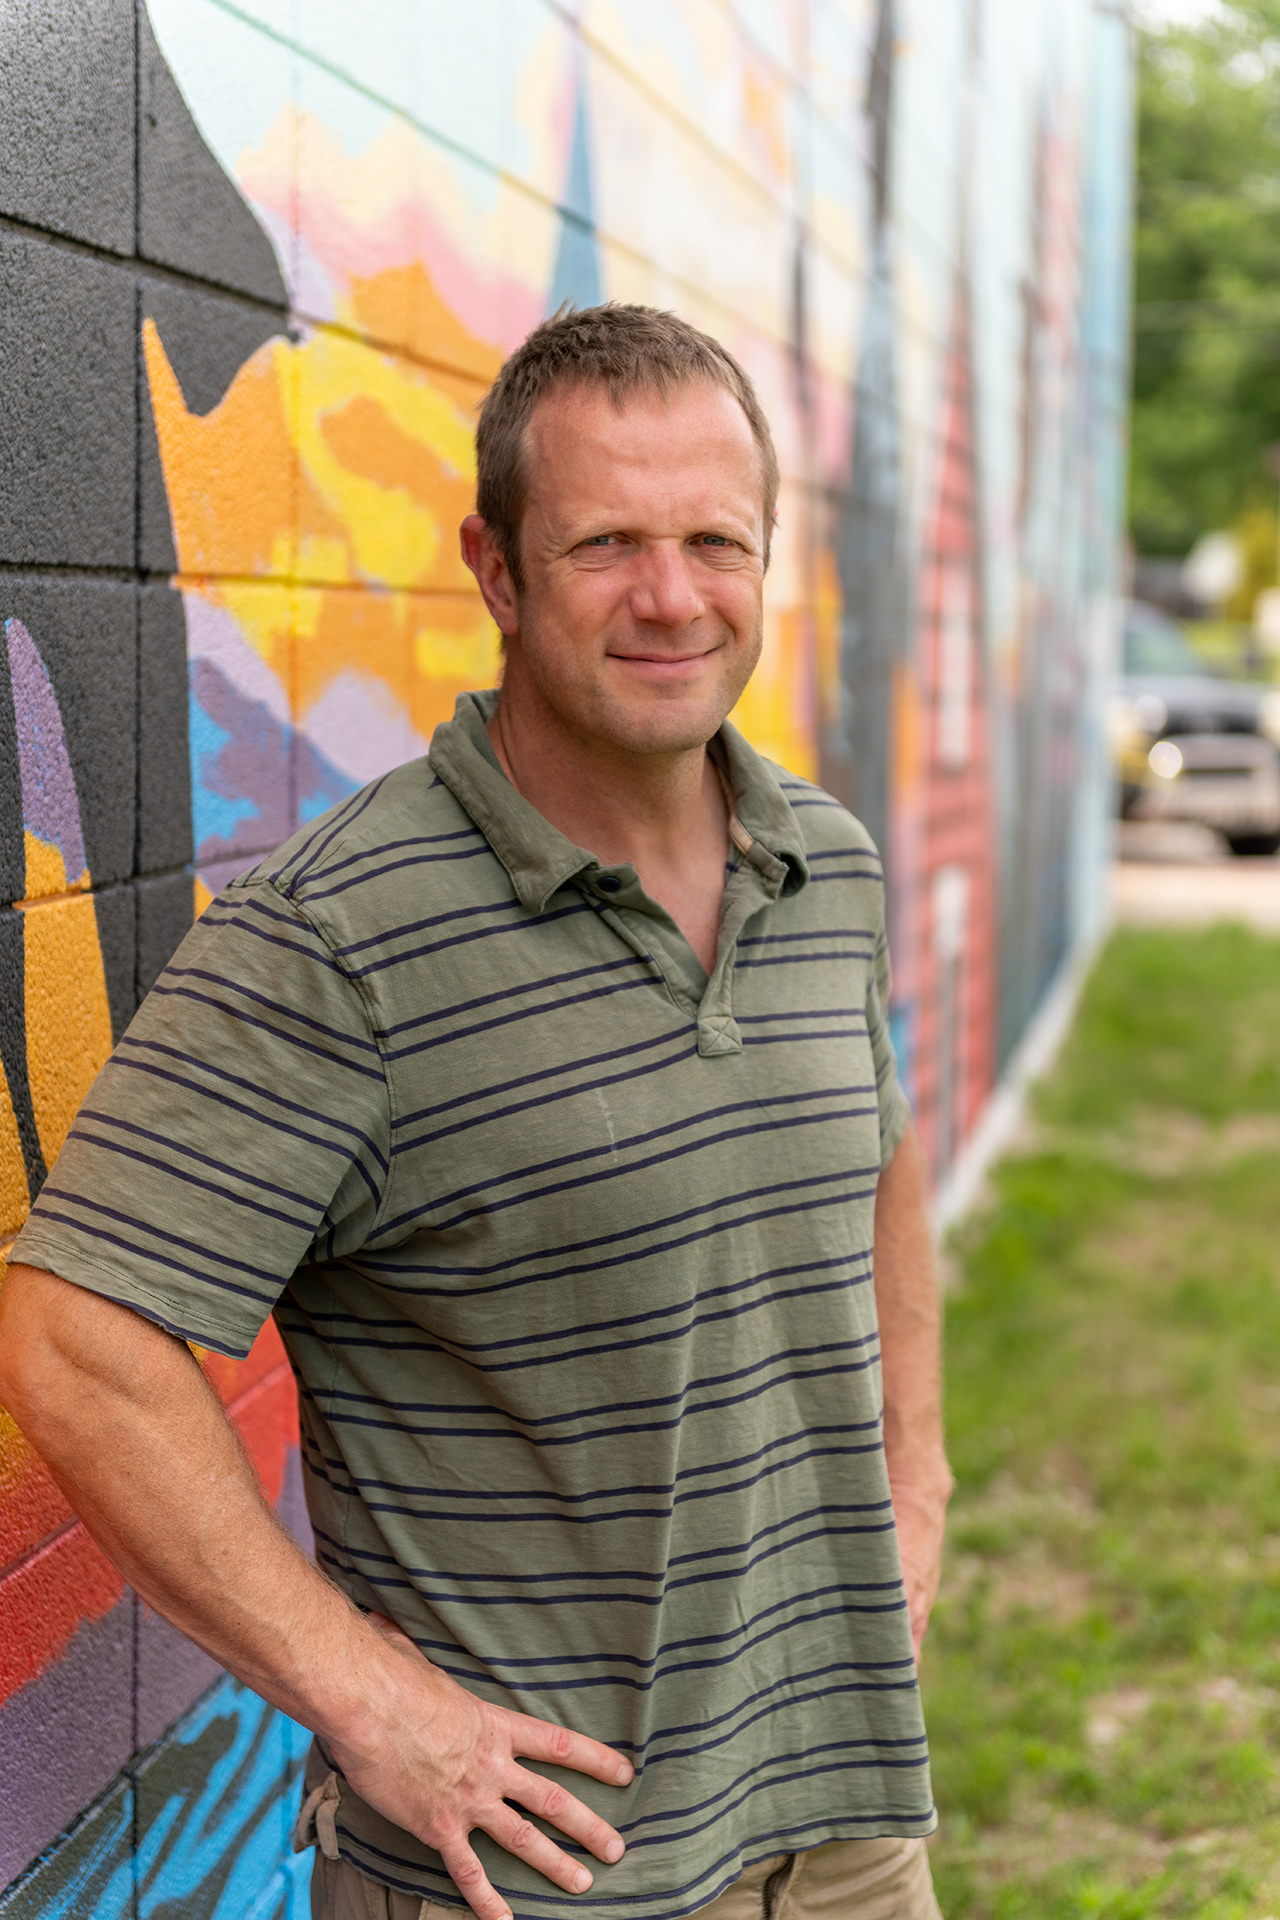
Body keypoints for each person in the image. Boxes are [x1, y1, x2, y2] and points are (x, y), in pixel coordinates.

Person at [0, 304, 952, 1920]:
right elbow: (72, 1342)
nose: (672, 595)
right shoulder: (339, 939)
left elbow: (874, 1157)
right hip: (534, 1872)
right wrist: (374, 1705)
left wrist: (915, 1485)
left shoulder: (825, 863)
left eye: (716, 540)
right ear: (497, 571)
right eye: (606, 543)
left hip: (850, 1829)